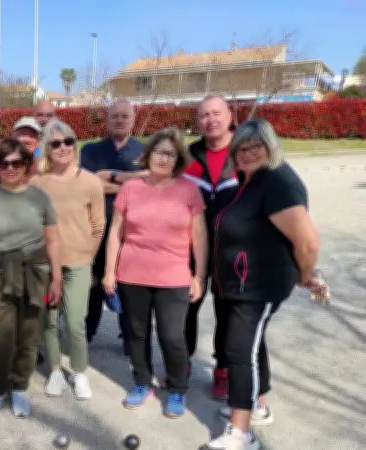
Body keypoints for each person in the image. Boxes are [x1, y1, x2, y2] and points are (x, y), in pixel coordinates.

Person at [201, 120, 323, 450]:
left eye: (257, 146)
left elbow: (308, 242)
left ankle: (241, 432)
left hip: (258, 285)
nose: (249, 152)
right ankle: (258, 404)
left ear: (270, 147)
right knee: (250, 345)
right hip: (239, 283)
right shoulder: (249, 180)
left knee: (240, 352)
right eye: (242, 147)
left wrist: (304, 274)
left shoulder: (278, 181)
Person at [103, 127, 208, 418]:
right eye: (160, 152)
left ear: (178, 160)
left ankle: (177, 389)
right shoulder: (130, 189)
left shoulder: (189, 190)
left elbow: (199, 236)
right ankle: (141, 383)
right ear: (148, 154)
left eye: (171, 155)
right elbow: (115, 233)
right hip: (132, 273)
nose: (164, 159)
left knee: (172, 336)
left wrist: (199, 275)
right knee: (136, 334)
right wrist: (109, 272)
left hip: (173, 276)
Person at [0, 138, 62, 420]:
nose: (10, 168)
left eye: (16, 162)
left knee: (29, 335)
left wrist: (56, 279)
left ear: (27, 165)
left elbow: (53, 241)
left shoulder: (40, 198)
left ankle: (19, 387)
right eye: (3, 163)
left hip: (35, 272)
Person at [31, 120, 105, 400]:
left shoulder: (90, 181)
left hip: (77, 264)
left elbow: (98, 226)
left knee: (75, 323)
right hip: (46, 265)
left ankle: (79, 371)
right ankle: (55, 371)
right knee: (48, 322)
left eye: (68, 141)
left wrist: (89, 257)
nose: (63, 148)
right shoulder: (38, 184)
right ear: (47, 149)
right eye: (55, 143)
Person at [182, 94, 239, 399]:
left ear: (229, 115)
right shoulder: (189, 155)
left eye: (216, 113)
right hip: (193, 248)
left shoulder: (246, 151)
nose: (210, 120)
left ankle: (222, 370)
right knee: (186, 307)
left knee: (227, 313)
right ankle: (183, 363)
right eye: (204, 115)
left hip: (234, 252)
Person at [80, 99, 146, 351]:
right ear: (107, 120)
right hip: (96, 228)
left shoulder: (145, 150)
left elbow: (151, 182)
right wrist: (134, 181)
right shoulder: (91, 150)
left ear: (133, 119)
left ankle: (130, 339)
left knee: (128, 287)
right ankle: (86, 334)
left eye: (125, 116)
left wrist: (111, 176)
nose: (120, 120)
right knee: (94, 285)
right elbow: (90, 185)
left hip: (132, 231)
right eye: (115, 116)